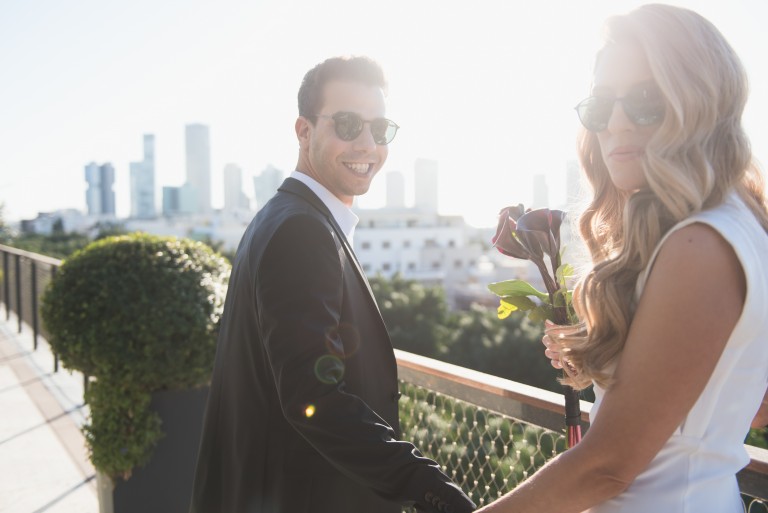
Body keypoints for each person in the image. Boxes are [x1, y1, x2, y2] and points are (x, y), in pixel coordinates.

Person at [477, 4, 768, 513]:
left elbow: (606, 466)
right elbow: (743, 400)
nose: (615, 123)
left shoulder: (698, 245)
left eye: (645, 101)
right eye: (601, 105)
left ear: (699, 105)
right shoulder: (735, 223)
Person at [189, 55, 476, 513]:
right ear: (304, 131)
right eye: (347, 124)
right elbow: (312, 395)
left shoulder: (284, 217)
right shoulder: (301, 231)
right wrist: (431, 488)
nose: (367, 144)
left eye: (379, 129)